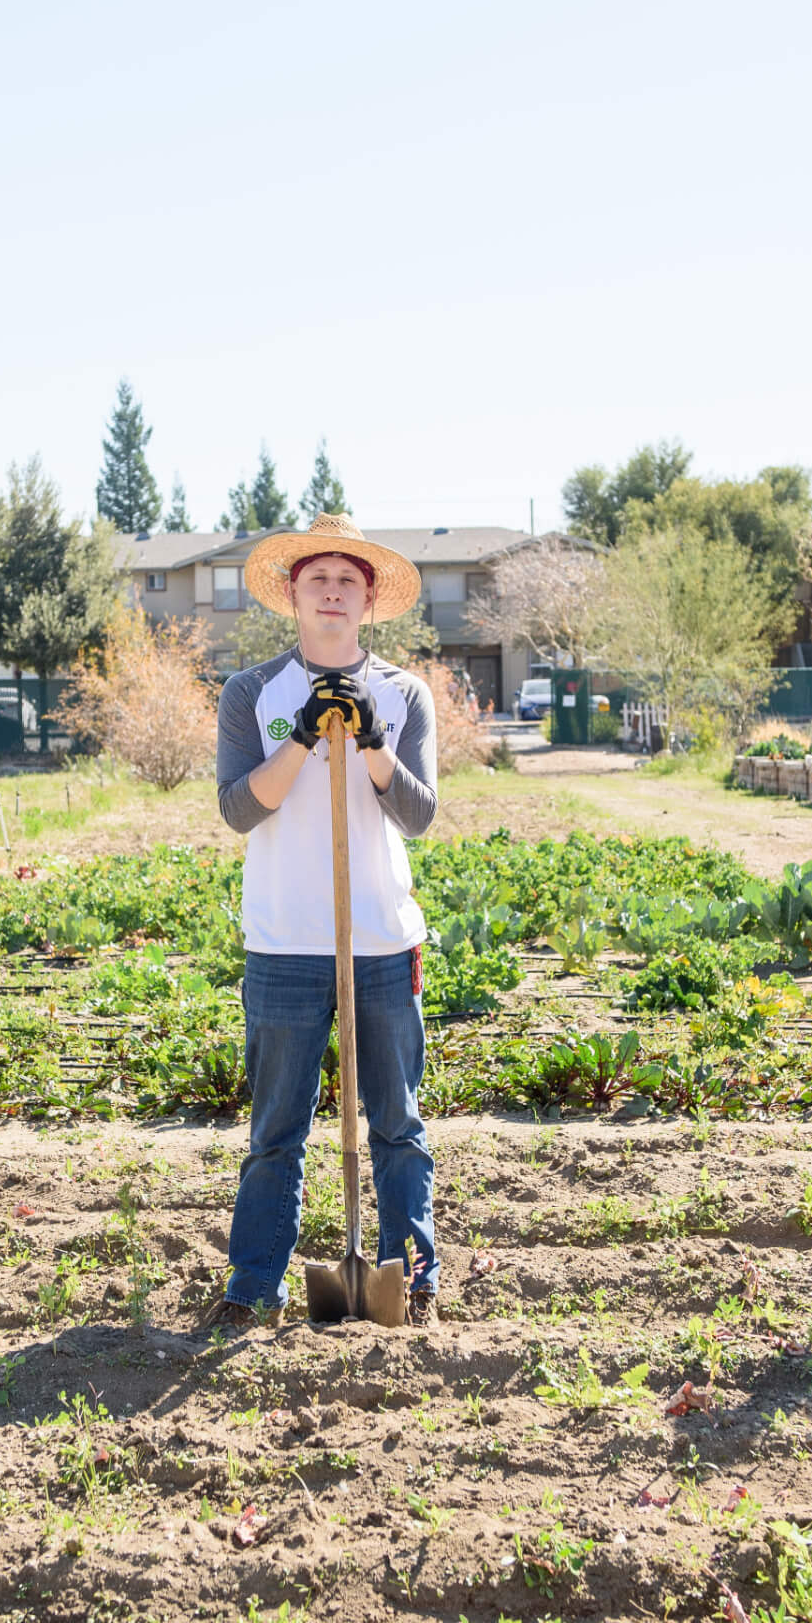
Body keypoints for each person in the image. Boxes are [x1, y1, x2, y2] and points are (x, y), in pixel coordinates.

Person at [209, 512, 443, 1329]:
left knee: (397, 1123)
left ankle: (414, 1278)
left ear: (369, 599)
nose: (334, 592)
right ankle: (253, 1283)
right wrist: (307, 735)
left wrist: (373, 741)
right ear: (294, 597)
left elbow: (418, 814)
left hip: (380, 939)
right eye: (319, 580)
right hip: (283, 943)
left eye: (349, 580)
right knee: (276, 1128)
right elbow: (241, 809)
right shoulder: (253, 693)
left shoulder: (405, 694)